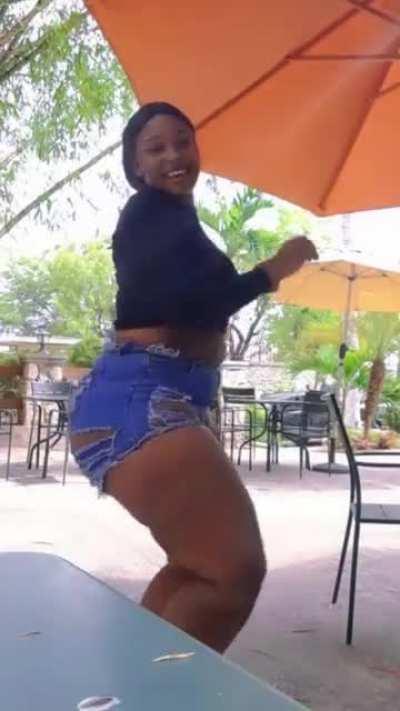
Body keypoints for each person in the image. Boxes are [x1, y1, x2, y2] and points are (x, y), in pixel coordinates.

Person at [70, 102, 318, 653]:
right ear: (136, 167)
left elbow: (194, 300)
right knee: (232, 570)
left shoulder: (176, 220)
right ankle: (163, 693)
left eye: (183, 141)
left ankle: (134, 688)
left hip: (160, 393)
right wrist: (274, 270)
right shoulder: (145, 214)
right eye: (156, 148)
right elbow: (187, 304)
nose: (174, 155)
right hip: (141, 398)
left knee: (196, 567)